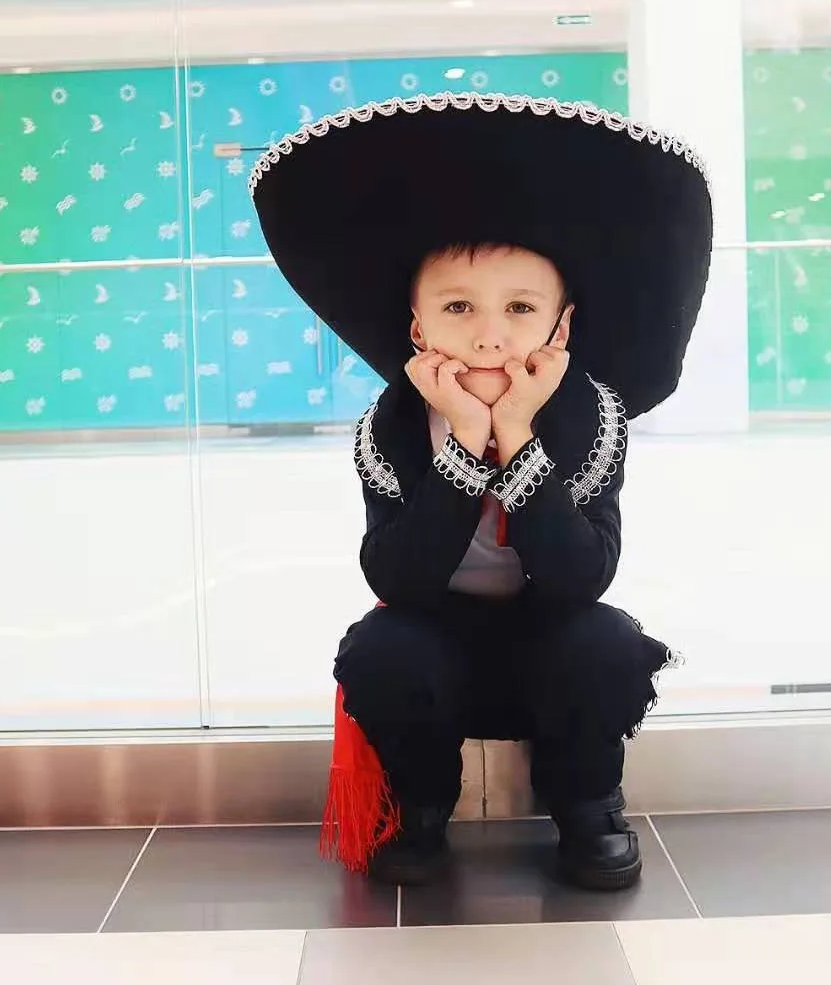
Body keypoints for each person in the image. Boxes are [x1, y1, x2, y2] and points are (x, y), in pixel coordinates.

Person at [250, 92, 712, 891]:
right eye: (458, 308)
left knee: (607, 639)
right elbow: (399, 579)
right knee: (379, 648)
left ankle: (586, 804)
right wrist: (465, 435)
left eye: (520, 309)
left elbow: (582, 576)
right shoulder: (392, 426)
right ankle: (420, 808)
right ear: (419, 327)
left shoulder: (592, 418)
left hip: (553, 635)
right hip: (438, 642)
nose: (490, 333)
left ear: (559, 328)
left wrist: (521, 437)